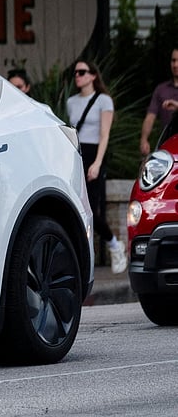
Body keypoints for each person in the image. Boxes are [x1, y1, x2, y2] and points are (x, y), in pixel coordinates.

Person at [66, 60, 127, 274]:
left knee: (92, 209)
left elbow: (104, 133)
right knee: (78, 209)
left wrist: (98, 163)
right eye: (75, 73)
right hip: (77, 154)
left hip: (95, 155)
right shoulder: (71, 102)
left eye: (82, 72)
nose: (78, 76)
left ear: (93, 76)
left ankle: (114, 245)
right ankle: (84, 258)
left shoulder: (103, 100)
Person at [139, 48, 178, 156]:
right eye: (173, 60)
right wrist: (144, 139)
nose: (175, 65)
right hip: (167, 146)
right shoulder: (161, 89)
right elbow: (150, 116)